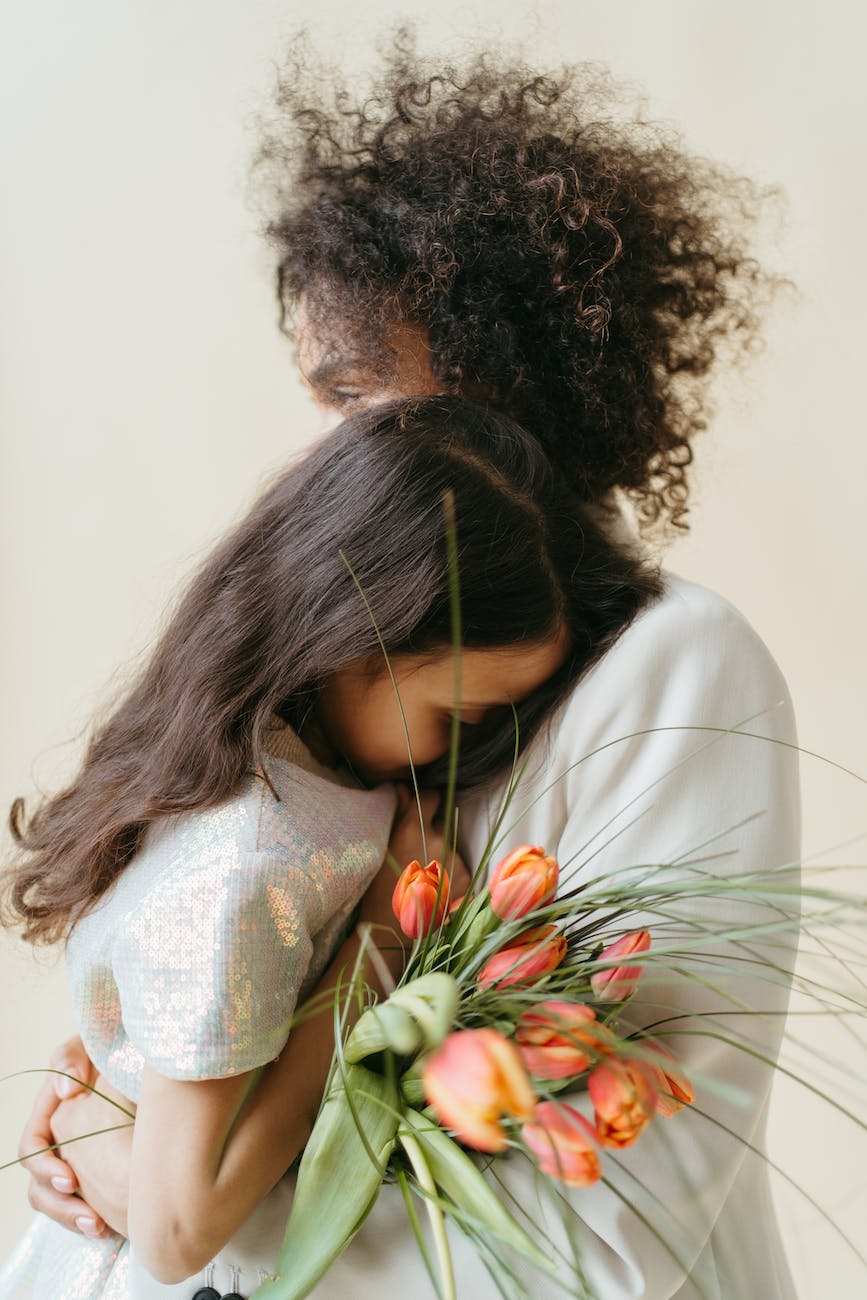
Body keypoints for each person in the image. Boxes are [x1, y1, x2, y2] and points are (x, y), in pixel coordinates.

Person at [11, 40, 801, 1300]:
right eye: (324, 398)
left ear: (502, 382)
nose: (328, 454)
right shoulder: (312, 726)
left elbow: (610, 1220)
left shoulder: (674, 667)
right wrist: (139, 1092)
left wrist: (173, 1203)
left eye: (362, 391)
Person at [0, 396, 658, 1296]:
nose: (469, 752)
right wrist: (379, 949)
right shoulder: (248, 859)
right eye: (457, 717)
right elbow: (175, 1230)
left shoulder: (265, 771)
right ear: (360, 643)